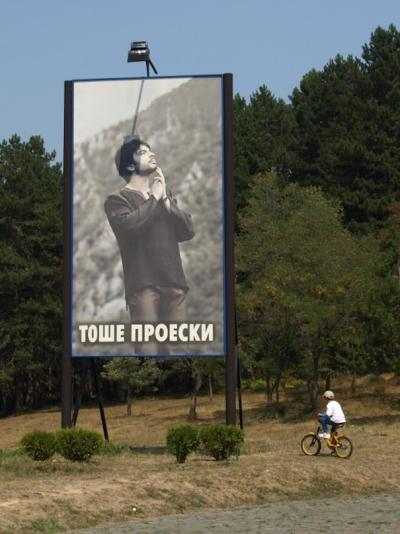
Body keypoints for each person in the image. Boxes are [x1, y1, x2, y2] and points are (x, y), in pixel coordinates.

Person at [104, 135, 195, 355]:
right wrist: (153, 197)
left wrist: (165, 200)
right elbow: (131, 226)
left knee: (180, 352)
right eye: (143, 152)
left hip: (174, 284)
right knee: (148, 352)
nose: (152, 153)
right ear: (128, 164)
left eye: (150, 150)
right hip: (143, 287)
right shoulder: (117, 200)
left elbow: (187, 230)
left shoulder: (165, 196)